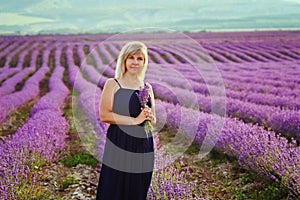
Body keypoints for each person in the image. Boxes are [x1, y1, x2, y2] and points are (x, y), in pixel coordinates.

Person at [96, 41, 156, 200]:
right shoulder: (113, 84)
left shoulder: (147, 87)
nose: (135, 62)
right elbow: (104, 115)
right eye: (131, 58)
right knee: (115, 185)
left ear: (144, 62)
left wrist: (149, 116)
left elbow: (154, 119)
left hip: (143, 143)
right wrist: (135, 120)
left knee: (139, 185)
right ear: (124, 60)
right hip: (120, 141)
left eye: (140, 58)